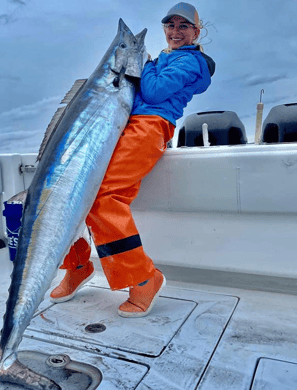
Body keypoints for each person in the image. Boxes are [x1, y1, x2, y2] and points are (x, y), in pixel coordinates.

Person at [50, 2, 215, 317]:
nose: (176, 32)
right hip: (119, 126)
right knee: (71, 190)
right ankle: (78, 266)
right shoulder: (164, 58)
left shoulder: (192, 62)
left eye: (184, 26)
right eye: (170, 25)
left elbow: (152, 92)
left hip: (150, 127)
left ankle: (144, 278)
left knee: (104, 197)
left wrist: (145, 63)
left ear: (196, 31)